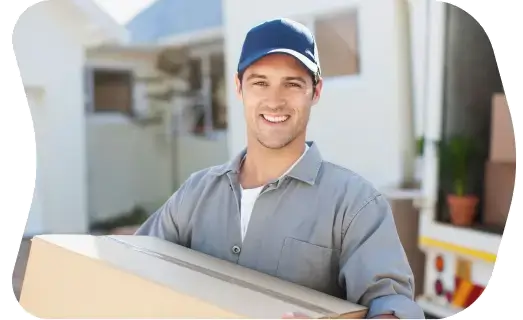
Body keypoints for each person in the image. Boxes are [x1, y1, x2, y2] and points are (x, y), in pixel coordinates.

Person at [135, 18, 425, 319]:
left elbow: (394, 308)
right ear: (239, 87)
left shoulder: (354, 204)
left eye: (292, 83)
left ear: (315, 91)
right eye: (260, 82)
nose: (275, 101)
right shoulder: (195, 195)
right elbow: (134, 264)